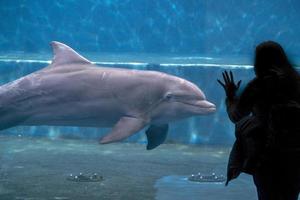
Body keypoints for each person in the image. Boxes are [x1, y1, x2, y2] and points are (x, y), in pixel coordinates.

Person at [218, 41, 300, 200]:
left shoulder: (258, 86)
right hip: (296, 156)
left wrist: (230, 97)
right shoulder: (297, 81)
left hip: (267, 156)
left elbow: (236, 116)